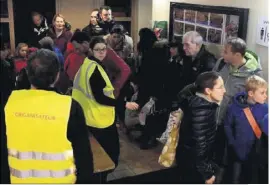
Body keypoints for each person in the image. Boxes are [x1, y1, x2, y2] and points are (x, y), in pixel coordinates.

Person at [4, 49, 94, 183]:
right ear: (57, 75)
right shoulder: (70, 107)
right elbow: (83, 158)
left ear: (28, 73)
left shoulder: (9, 103)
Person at [72, 37, 137, 182]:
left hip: (89, 115)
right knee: (110, 156)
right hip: (100, 119)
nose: (101, 52)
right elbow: (99, 97)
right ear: (91, 50)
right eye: (98, 49)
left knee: (98, 156)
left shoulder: (87, 64)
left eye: (104, 49)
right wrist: (123, 104)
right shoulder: (94, 69)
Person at [212, 37, 263, 170]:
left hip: (234, 122)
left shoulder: (253, 74)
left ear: (237, 55)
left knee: (231, 157)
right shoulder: (221, 63)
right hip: (215, 115)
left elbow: (257, 101)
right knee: (215, 150)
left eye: (226, 51)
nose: (222, 54)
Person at [175, 71, 226, 184]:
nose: (224, 91)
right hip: (193, 165)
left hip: (187, 159)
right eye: (220, 87)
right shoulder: (203, 111)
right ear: (208, 91)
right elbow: (199, 146)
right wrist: (207, 174)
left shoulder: (196, 101)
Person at [224, 75, 268, 183]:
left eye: (266, 92)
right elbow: (227, 125)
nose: (266, 96)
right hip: (237, 149)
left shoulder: (265, 108)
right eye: (262, 93)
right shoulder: (234, 107)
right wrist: (232, 142)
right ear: (251, 93)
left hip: (255, 151)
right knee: (235, 179)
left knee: (253, 178)